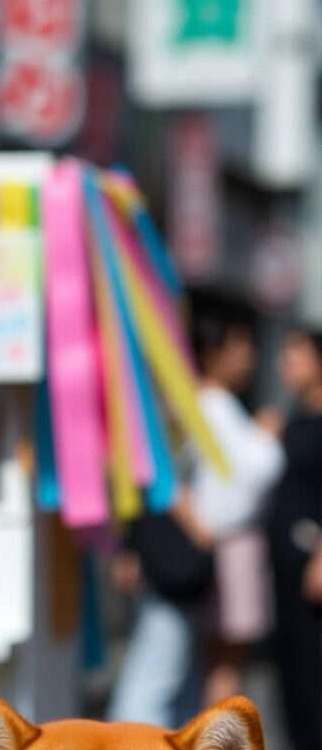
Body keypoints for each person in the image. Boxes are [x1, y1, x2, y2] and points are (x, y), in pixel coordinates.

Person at [109, 307, 283, 728]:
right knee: (160, 665)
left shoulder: (191, 406)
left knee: (178, 666)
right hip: (175, 557)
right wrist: (194, 523)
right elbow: (157, 475)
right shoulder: (190, 408)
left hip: (185, 558)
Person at [263, 329, 322, 750]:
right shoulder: (293, 419)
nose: (286, 363)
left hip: (314, 562)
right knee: (294, 667)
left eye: (295, 353)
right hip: (285, 566)